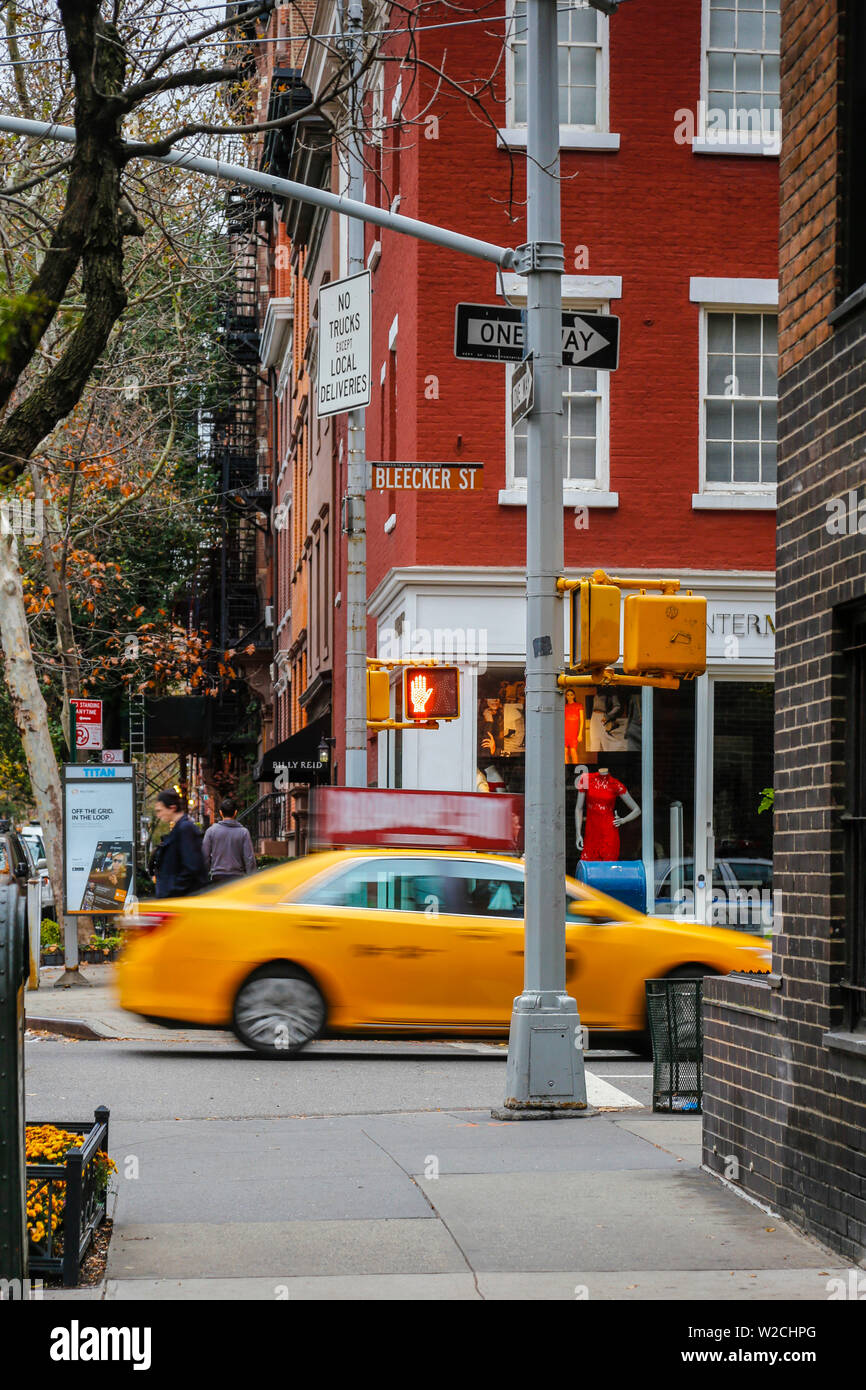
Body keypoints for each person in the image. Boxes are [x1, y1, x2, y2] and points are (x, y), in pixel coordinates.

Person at [152, 790, 207, 898]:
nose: (158, 815)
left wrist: (172, 891)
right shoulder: (181, 829)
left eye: (160, 810)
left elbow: (192, 867)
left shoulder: (184, 829)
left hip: (180, 899)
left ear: (172, 808)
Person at [202, 797, 256, 885]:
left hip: (217, 878)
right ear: (235, 812)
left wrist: (204, 876)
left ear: (220, 813)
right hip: (237, 879)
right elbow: (249, 859)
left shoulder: (211, 831)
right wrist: (252, 878)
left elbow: (205, 856)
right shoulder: (243, 832)